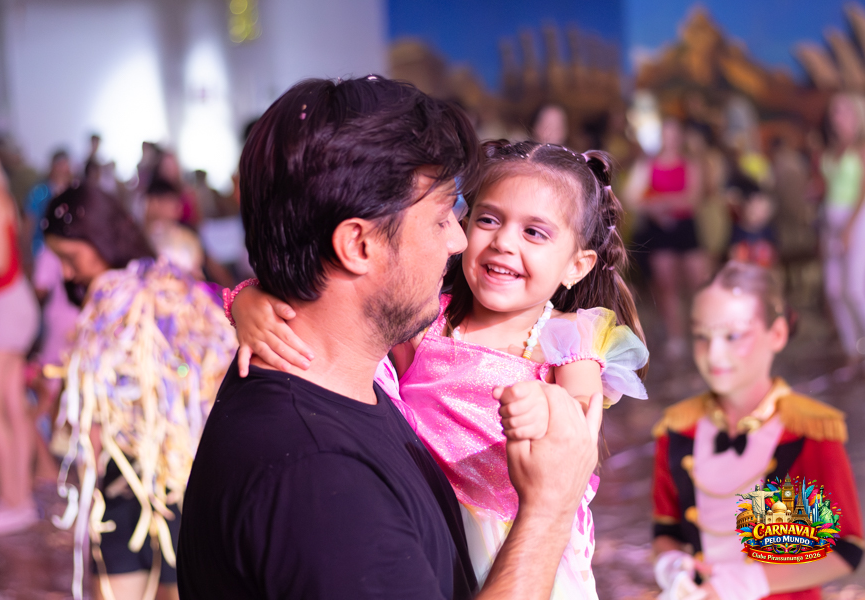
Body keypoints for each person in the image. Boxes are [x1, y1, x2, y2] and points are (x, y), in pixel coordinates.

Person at [176, 76, 604, 600]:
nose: (461, 240)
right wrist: (548, 511)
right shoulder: (322, 483)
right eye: (444, 218)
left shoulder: (347, 386)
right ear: (358, 245)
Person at [233, 140, 651, 597]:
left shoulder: (568, 339)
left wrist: (546, 406)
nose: (503, 242)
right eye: (488, 220)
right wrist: (249, 301)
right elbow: (338, 310)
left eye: (534, 233)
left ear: (577, 265)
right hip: (425, 520)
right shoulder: (427, 320)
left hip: (514, 538)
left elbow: (577, 427)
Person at [42, 184, 235, 600]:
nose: (68, 274)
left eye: (71, 258)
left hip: (171, 478)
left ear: (98, 238)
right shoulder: (154, 288)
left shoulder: (132, 294)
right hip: (142, 478)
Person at [651, 261, 862, 599]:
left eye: (733, 335)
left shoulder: (807, 433)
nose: (714, 353)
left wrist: (743, 584)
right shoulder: (678, 429)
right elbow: (666, 529)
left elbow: (844, 549)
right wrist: (673, 566)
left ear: (776, 334)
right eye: (702, 336)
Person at [0, 137, 40, 535]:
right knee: (11, 403)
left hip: (6, 303)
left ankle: (14, 499)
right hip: (10, 302)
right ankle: (18, 499)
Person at [626, 118, 708, 359]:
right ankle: (676, 336)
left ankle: (703, 331)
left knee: (699, 282)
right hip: (659, 230)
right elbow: (631, 197)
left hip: (686, 228)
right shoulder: (647, 165)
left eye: (674, 134)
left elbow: (693, 198)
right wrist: (655, 208)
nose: (670, 139)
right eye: (666, 134)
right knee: (666, 285)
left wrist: (660, 202)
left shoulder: (689, 164)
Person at [820, 93, 865, 376]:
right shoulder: (831, 149)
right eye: (834, 111)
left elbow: (862, 191)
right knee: (834, 290)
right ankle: (853, 349)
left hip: (857, 219)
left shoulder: (860, 149)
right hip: (832, 220)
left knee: (856, 290)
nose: (837, 116)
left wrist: (848, 227)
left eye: (844, 110)